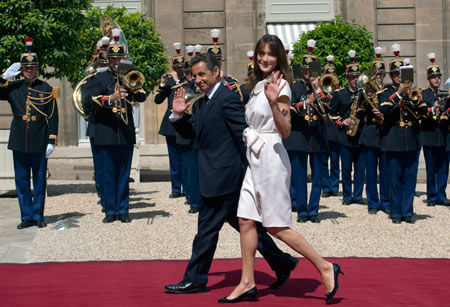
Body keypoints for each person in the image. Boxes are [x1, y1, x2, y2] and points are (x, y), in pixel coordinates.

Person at [220, 34, 343, 304]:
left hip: (271, 159)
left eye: (270, 54)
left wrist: (275, 102)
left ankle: (324, 266)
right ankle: (247, 281)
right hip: (255, 157)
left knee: (275, 225)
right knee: (245, 220)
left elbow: (286, 131)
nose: (265, 58)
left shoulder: (282, 85)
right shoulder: (257, 85)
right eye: (261, 53)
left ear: (279, 58)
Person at [164, 52, 298, 294]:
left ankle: (195, 279)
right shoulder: (204, 102)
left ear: (216, 72)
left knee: (206, 230)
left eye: (202, 74)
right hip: (216, 175)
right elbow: (192, 133)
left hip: (224, 176)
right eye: (195, 76)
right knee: (247, 227)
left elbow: (243, 131)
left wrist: (264, 157)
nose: (198, 80)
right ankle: (282, 262)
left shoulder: (226, 98)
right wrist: (178, 116)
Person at [82, 40, 147, 223]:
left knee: (124, 174)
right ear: (108, 60)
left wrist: (133, 86)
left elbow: (141, 96)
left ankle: (124, 210)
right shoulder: (98, 79)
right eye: (113, 58)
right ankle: (110, 211)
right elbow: (88, 101)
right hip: (106, 131)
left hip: (125, 132)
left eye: (120, 58)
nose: (116, 61)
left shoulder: (127, 78)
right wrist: (110, 98)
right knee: (109, 174)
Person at [0, 37, 59, 229]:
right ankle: (26, 216)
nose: (29, 70)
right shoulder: (13, 87)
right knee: (22, 180)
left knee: (39, 180)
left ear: (37, 68)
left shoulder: (45, 88)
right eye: (26, 68)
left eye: (32, 67)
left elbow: (53, 115)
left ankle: (38, 215)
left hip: (39, 138)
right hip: (19, 138)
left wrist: (52, 140)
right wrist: (3, 78)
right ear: (21, 70)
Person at [378, 51, 427, 224]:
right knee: (395, 179)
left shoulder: (414, 93)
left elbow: (424, 112)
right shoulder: (385, 93)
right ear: (391, 76)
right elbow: (383, 109)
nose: (399, 77)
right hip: (393, 141)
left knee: (409, 179)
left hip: (412, 141)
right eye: (396, 74)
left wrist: (413, 97)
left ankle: (408, 211)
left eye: (401, 74)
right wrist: (398, 94)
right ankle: (396, 212)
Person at [285, 47, 330, 224]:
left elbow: (327, 108)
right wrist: (306, 102)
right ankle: (302, 210)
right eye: (305, 70)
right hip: (299, 137)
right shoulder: (293, 87)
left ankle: (314, 210)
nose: (307, 74)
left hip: (317, 137)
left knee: (318, 177)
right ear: (301, 71)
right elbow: (289, 109)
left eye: (310, 71)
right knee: (299, 177)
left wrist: (318, 90)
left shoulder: (322, 88)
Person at [330, 51, 365, 206]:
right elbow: (331, 114)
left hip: (360, 135)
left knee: (359, 168)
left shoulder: (363, 94)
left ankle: (357, 195)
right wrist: (342, 121)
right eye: (352, 77)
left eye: (357, 77)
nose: (355, 80)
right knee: (345, 168)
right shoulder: (340, 94)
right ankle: (347, 196)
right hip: (345, 136)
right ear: (347, 78)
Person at [358, 51, 390, 215]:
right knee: (370, 172)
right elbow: (358, 114)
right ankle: (372, 202)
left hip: (385, 135)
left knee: (385, 172)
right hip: (370, 133)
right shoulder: (364, 91)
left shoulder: (389, 90)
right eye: (375, 74)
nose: (378, 77)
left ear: (384, 75)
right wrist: (366, 102)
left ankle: (385, 202)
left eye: (381, 74)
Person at [154, 53, 190, 199]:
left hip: (185, 120)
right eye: (177, 67)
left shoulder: (189, 81)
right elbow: (158, 100)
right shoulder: (170, 82)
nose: (180, 70)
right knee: (174, 158)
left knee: (186, 158)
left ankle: (187, 189)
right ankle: (176, 188)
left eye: (182, 67)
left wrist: (176, 82)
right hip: (170, 123)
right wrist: (163, 84)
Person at [420, 53, 449, 207]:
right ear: (428, 79)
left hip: (443, 135)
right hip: (430, 135)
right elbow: (421, 113)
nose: (436, 79)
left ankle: (441, 195)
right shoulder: (424, 94)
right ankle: (431, 196)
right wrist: (433, 107)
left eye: (438, 76)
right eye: (433, 77)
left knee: (444, 167)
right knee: (431, 168)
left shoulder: (446, 93)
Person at [321, 56, 341, 198]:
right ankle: (325, 187)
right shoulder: (320, 95)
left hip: (335, 130)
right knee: (323, 162)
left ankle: (334, 186)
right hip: (323, 130)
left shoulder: (339, 94)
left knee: (335, 161)